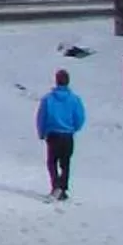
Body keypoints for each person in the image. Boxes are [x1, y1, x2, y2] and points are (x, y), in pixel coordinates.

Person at [35, 68, 86, 200]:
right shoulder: (75, 99)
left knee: (52, 161)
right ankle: (63, 189)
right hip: (67, 135)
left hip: (53, 134)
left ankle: (55, 185)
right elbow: (80, 117)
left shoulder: (48, 99)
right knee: (66, 162)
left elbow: (41, 117)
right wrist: (74, 128)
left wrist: (41, 132)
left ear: (56, 81)